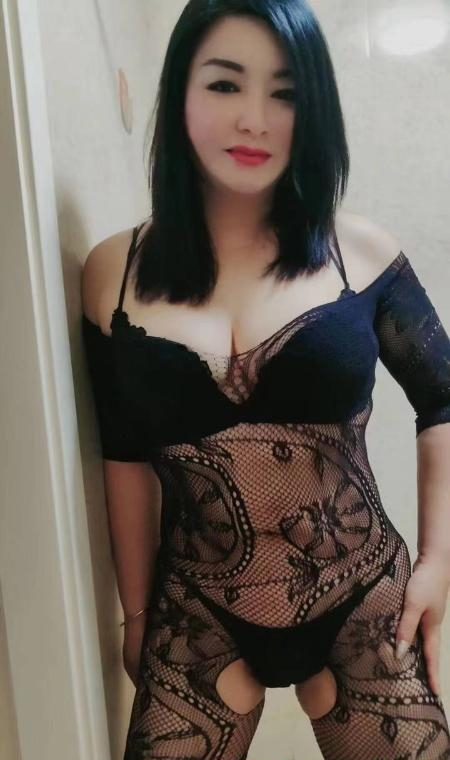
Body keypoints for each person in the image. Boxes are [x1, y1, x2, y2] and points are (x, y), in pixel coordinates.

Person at [81, 1, 450, 758]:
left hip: (360, 594)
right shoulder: (112, 273)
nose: (254, 119)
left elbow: (442, 400)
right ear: (180, 94)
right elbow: (121, 452)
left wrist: (438, 565)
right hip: (197, 607)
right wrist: (137, 613)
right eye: (225, 84)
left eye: (284, 94)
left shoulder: (361, 253)